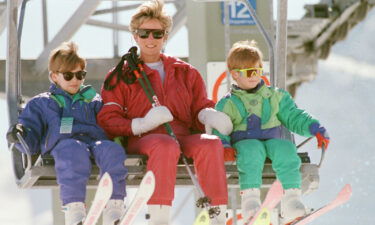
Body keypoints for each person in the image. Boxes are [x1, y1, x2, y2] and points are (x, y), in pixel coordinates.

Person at [97, 1, 233, 224]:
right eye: (144, 33)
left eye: (157, 34)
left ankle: (216, 213)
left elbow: (199, 106)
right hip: (143, 137)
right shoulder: (122, 74)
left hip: (181, 135)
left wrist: (207, 115)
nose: (151, 40)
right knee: (164, 144)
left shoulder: (186, 72)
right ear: (135, 36)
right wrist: (141, 124)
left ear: (165, 36)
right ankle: (159, 216)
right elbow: (107, 119)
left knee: (210, 143)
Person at [6, 42, 128, 225]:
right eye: (68, 75)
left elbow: (110, 122)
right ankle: (74, 207)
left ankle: (114, 205)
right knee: (72, 150)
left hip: (94, 143)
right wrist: (20, 135)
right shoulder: (43, 103)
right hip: (64, 145)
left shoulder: (93, 101)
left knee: (112, 150)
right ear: (54, 76)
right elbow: (30, 134)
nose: (75, 80)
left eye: (80, 75)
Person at [213, 40, 330, 224]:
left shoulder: (275, 96)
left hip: (272, 139)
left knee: (286, 150)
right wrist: (224, 145)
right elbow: (219, 126)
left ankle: (291, 200)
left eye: (258, 71)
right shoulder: (228, 103)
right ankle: (251, 203)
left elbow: (293, 116)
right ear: (235, 75)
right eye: (249, 72)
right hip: (244, 142)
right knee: (251, 151)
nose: (255, 76)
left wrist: (314, 128)